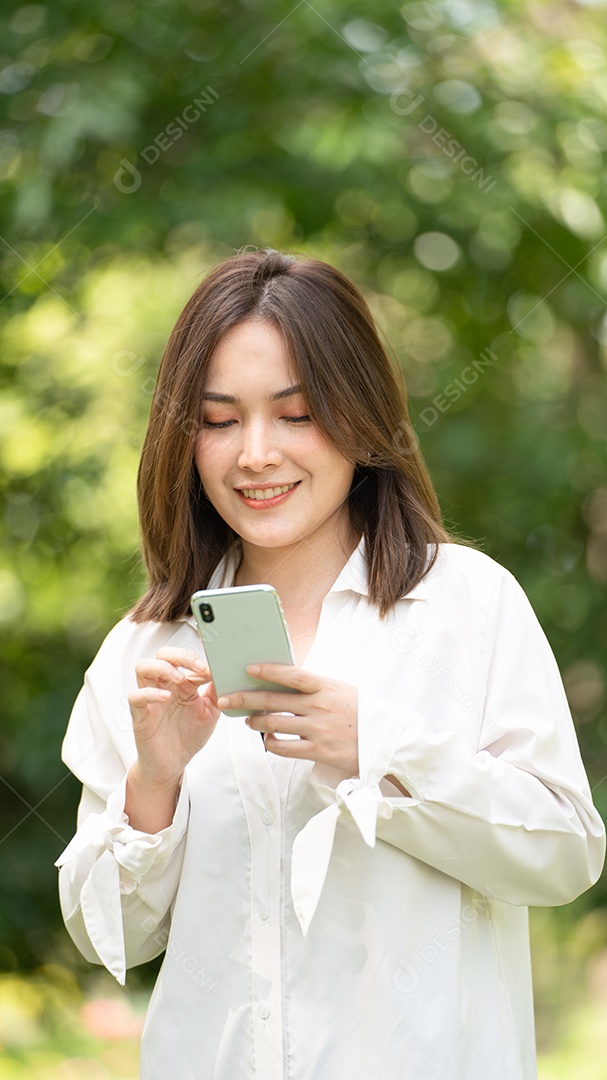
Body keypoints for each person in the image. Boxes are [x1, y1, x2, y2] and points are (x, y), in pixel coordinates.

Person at [56, 248, 605, 1080]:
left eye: (296, 413)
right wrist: (154, 785)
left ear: (359, 414)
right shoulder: (145, 649)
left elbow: (563, 855)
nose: (255, 454)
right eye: (218, 419)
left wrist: (379, 748)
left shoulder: (465, 602)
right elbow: (113, 940)